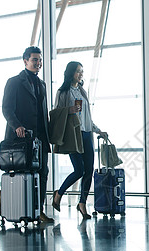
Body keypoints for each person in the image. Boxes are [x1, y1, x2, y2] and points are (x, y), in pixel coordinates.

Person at [2, 46, 54, 223]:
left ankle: (38, 210)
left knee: (43, 172)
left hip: (40, 138)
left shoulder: (42, 85)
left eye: (40, 60)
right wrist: (17, 126)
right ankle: (18, 207)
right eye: (34, 60)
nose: (38, 63)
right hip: (21, 138)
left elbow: (43, 112)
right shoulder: (14, 82)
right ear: (25, 61)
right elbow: (7, 109)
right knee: (21, 174)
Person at [52, 61, 107, 219]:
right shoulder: (63, 92)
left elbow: (87, 117)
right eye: (77, 71)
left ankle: (82, 203)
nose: (80, 74)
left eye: (82, 71)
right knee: (79, 170)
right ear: (71, 73)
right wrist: (69, 110)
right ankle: (59, 193)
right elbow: (56, 113)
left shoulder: (82, 91)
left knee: (88, 170)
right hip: (73, 136)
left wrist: (97, 130)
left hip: (86, 134)